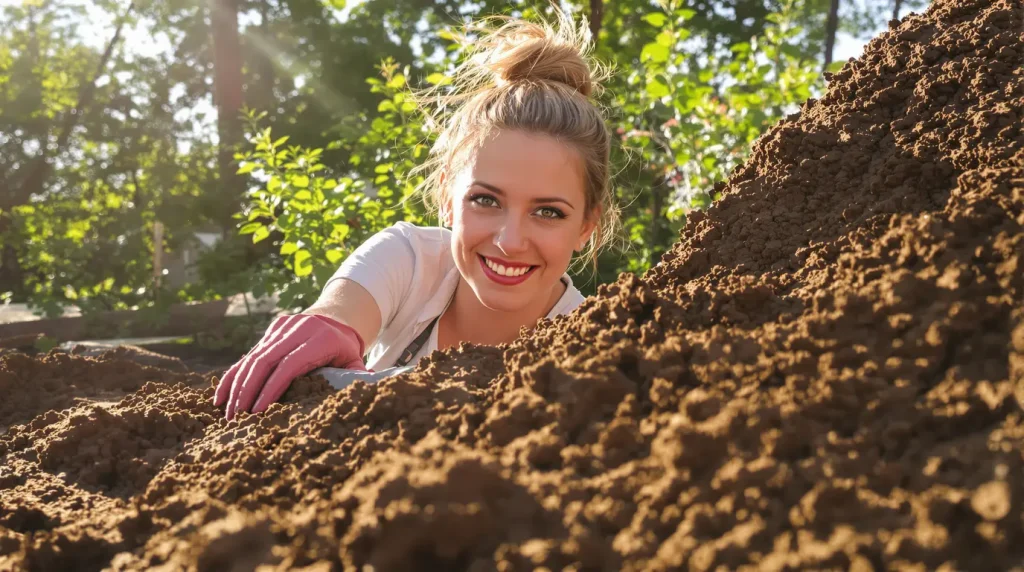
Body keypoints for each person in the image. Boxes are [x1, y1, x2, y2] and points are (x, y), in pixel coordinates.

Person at [214, 12, 621, 420]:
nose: (510, 241)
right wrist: (330, 323)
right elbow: (343, 312)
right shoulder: (409, 260)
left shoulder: (595, 344)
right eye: (486, 200)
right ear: (447, 196)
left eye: (548, 212)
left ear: (586, 226)